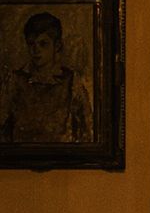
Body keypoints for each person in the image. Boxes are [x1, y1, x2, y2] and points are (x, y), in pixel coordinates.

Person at [0, 11, 93, 143]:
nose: (36, 50)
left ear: (57, 46)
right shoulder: (15, 80)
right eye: (31, 44)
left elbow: (86, 130)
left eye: (43, 44)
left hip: (63, 157)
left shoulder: (71, 81)